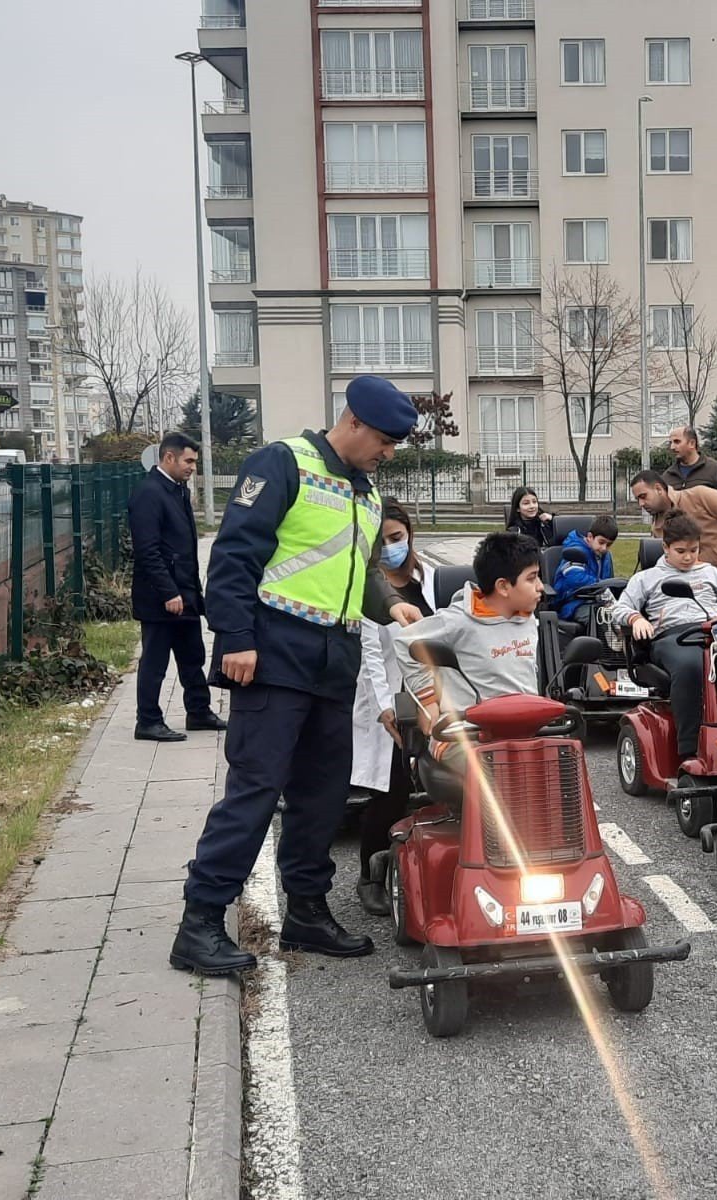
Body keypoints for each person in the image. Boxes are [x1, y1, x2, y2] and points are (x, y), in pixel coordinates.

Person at [169, 375, 421, 977]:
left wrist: (391, 606)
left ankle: (306, 909)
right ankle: (200, 922)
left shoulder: (365, 494)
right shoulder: (284, 463)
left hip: (334, 662)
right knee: (256, 789)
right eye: (384, 441)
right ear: (353, 421)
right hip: (276, 655)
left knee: (323, 794)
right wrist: (234, 638)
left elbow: (354, 573)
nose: (388, 454)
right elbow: (234, 555)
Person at [394, 532, 544, 774]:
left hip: (518, 732)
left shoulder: (527, 617)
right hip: (463, 735)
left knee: (564, 764)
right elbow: (404, 642)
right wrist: (427, 700)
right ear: (503, 586)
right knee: (501, 773)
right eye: (532, 578)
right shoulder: (457, 621)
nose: (540, 587)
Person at [352, 498, 436, 915]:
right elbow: (371, 656)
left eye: (397, 538)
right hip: (388, 701)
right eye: (382, 541)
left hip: (430, 696)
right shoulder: (372, 590)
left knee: (438, 780)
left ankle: (424, 867)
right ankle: (370, 876)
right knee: (390, 790)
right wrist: (387, 708)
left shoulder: (427, 578)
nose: (391, 547)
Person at [613, 511, 717, 764]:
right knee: (692, 666)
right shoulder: (647, 578)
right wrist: (636, 619)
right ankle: (690, 748)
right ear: (665, 547)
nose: (688, 557)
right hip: (672, 638)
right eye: (681, 551)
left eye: (694, 550)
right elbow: (619, 608)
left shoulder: (711, 572)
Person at [127, 432, 225, 743]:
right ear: (169, 458)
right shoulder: (149, 494)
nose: (193, 467)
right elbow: (148, 550)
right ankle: (148, 720)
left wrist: (194, 593)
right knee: (155, 661)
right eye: (189, 461)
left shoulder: (177, 491)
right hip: (161, 598)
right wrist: (168, 592)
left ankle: (198, 711)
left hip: (185, 595)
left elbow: (183, 551)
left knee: (192, 654)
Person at [630, 471, 717, 605]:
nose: (641, 504)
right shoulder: (657, 529)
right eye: (637, 499)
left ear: (658, 488)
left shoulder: (699, 496)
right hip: (707, 593)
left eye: (643, 496)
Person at [553, 514, 618, 623]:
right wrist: (600, 585)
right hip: (573, 604)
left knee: (621, 615)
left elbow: (609, 581)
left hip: (598, 601)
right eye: (601, 542)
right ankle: (602, 640)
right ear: (590, 537)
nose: (604, 548)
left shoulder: (605, 555)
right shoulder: (575, 551)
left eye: (609, 545)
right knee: (600, 619)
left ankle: (619, 640)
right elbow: (575, 578)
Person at [661, 426, 717, 490]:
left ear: (692, 443)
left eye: (677, 442)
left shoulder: (715, 469)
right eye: (670, 443)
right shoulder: (667, 476)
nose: (672, 447)